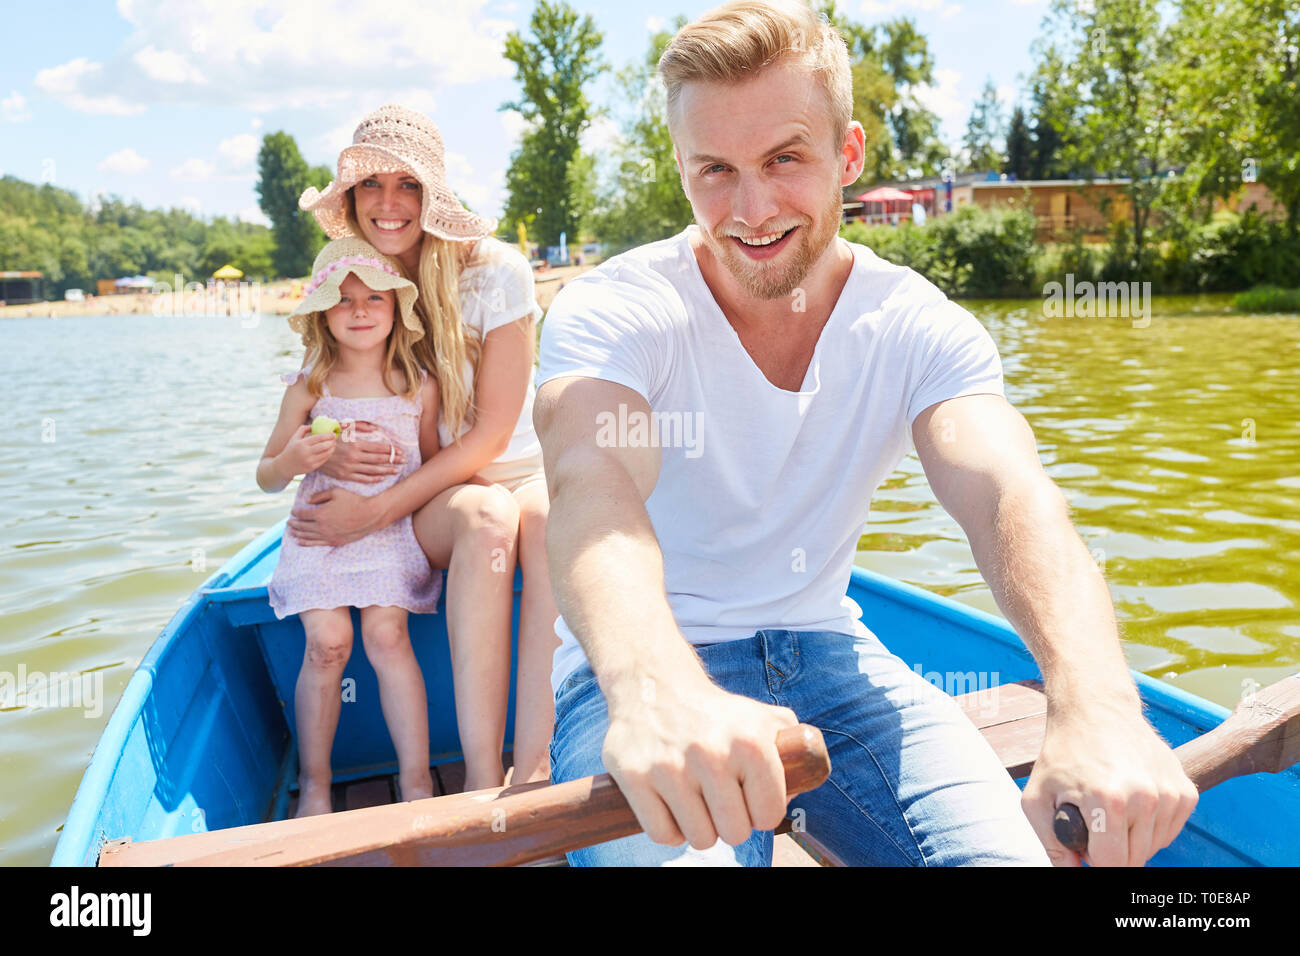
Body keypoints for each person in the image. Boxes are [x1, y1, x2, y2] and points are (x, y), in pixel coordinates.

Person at [533, 0, 1198, 866]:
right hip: (640, 676)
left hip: (831, 657)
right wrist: (654, 688)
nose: (752, 207)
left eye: (784, 159)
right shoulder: (615, 310)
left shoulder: (919, 325)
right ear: (682, 168)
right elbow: (593, 486)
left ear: (848, 155)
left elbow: (1007, 492)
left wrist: (1097, 701)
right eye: (715, 170)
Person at [290, 106, 557, 790]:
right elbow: (329, 397)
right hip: (435, 494)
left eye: (406, 185)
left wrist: (372, 517)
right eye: (369, 186)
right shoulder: (360, 285)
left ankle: (532, 772)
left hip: (517, 470)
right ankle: (477, 779)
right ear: (350, 202)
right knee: (486, 518)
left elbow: (494, 435)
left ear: (432, 197)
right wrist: (330, 457)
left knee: (549, 518)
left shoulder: (496, 272)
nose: (388, 204)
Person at [258, 237, 442, 816]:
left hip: (387, 530)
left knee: (386, 635)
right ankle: (315, 783)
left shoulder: (419, 385)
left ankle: (415, 780)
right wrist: (295, 460)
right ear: (321, 311)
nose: (359, 311)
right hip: (318, 534)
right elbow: (266, 474)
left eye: (373, 299)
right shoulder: (311, 385)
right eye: (343, 300)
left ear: (396, 309)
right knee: (328, 643)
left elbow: (434, 465)